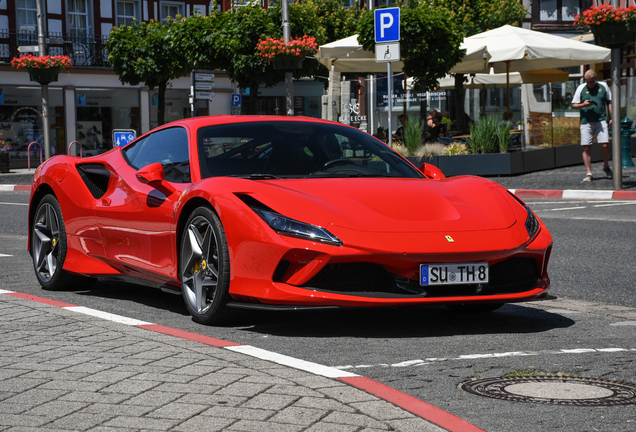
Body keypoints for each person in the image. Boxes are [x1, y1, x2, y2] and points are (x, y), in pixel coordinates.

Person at [571, 69, 612, 182]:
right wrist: (584, 104)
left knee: (604, 145)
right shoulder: (581, 88)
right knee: (587, 146)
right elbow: (573, 105)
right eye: (588, 82)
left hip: (601, 119)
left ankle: (606, 166)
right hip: (586, 121)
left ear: (596, 78)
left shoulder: (603, 86)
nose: (590, 84)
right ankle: (589, 173)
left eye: (591, 82)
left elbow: (609, 102)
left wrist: (612, 116)